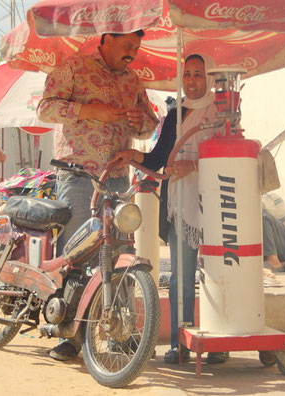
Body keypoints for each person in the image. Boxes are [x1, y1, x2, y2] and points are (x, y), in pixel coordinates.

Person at [36, 30, 159, 362]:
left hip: (117, 178)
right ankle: (68, 335)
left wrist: (140, 121)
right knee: (78, 254)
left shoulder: (133, 80)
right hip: (78, 175)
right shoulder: (74, 67)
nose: (133, 52)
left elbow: (149, 125)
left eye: (136, 47)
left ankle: (118, 333)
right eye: (127, 45)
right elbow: (45, 110)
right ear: (106, 40)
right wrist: (88, 111)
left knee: (118, 252)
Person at [111, 53, 229, 365]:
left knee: (219, 273)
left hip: (220, 202)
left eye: (198, 74)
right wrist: (131, 155)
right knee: (181, 275)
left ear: (209, 77)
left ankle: (219, 340)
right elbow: (157, 158)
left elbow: (231, 155)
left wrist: (194, 164)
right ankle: (181, 341)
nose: (192, 81)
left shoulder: (222, 113)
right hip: (182, 204)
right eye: (187, 74)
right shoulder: (175, 113)